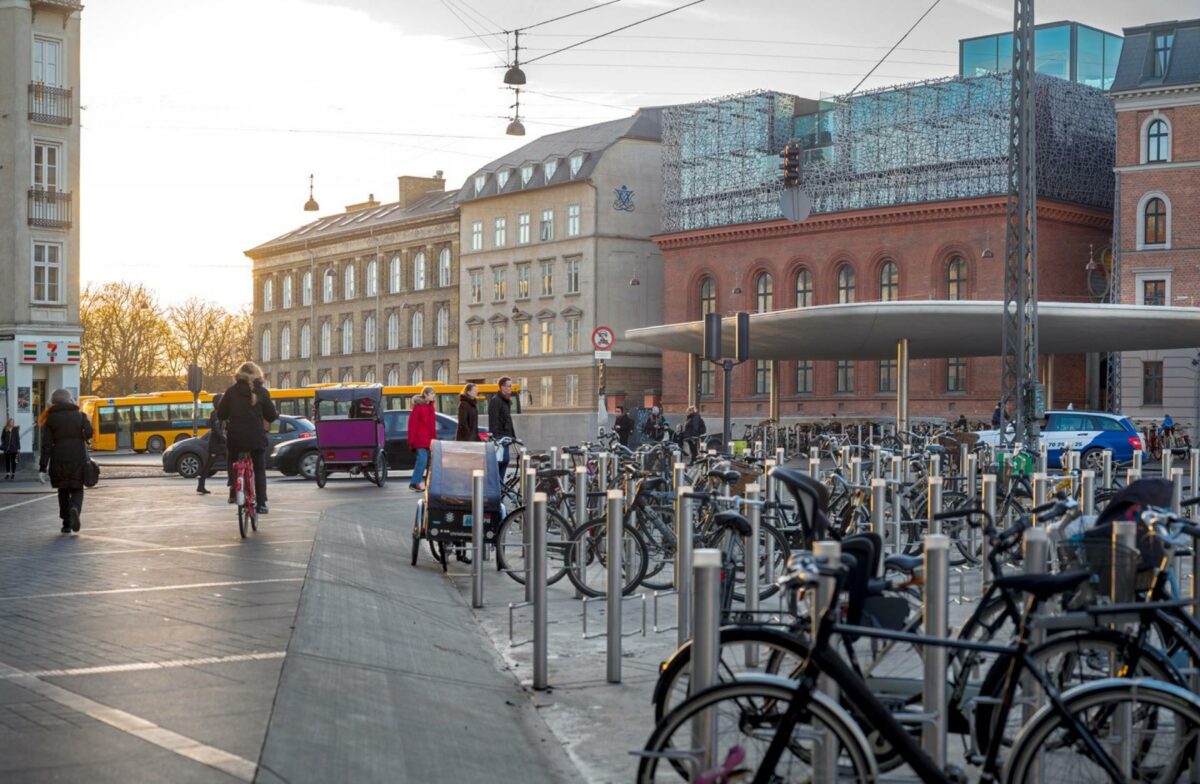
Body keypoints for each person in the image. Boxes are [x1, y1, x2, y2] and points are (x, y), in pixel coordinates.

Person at [217, 362, 277, 514]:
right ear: (258, 375)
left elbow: (221, 414)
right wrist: (273, 414)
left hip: (236, 437)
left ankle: (232, 487)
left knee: (232, 458)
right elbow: (270, 415)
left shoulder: (231, 392)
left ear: (239, 375)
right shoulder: (262, 392)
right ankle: (262, 503)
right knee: (259, 468)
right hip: (256, 437)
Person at [37, 389, 93, 533]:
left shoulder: (51, 418)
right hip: (77, 457)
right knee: (77, 488)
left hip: (59, 458)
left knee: (63, 490)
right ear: (70, 400)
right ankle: (75, 508)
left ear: (53, 402)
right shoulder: (79, 415)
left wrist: (43, 468)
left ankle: (66, 523)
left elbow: (46, 445)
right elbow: (89, 432)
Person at [408, 385, 436, 491]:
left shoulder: (430, 407)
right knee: (422, 461)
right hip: (420, 440)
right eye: (432, 394)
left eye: (434, 394)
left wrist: (434, 439)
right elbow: (412, 425)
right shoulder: (418, 407)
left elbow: (432, 426)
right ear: (425, 394)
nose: (434, 396)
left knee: (429, 463)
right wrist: (411, 441)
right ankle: (414, 483)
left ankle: (427, 484)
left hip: (429, 440)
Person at [488, 376, 516, 479]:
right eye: (509, 386)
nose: (510, 388)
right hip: (500, 438)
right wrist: (496, 438)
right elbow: (493, 421)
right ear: (502, 387)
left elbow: (508, 420)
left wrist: (513, 436)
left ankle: (501, 487)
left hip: (506, 437)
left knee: (505, 461)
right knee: (500, 462)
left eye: (511, 386)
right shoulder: (496, 401)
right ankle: (498, 488)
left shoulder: (506, 401)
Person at [197, 393, 225, 495]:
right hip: (216, 444)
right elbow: (217, 429)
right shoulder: (215, 413)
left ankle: (234, 485)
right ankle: (201, 484)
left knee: (231, 463)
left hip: (221, 442)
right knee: (209, 465)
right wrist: (224, 439)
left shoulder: (220, 413)